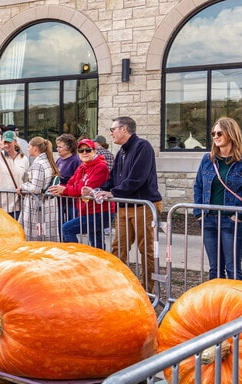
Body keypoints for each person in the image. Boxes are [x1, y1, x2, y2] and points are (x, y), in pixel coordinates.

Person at [94, 116, 163, 292]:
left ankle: (148, 289)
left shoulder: (142, 147)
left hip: (143, 206)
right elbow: (113, 178)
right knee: (119, 248)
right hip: (124, 207)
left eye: (113, 129)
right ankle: (117, 286)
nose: (111, 133)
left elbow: (137, 178)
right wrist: (98, 190)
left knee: (145, 249)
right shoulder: (121, 152)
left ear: (124, 129)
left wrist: (114, 193)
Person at [192, 117, 242, 280]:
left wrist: (240, 215)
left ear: (231, 134)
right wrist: (199, 213)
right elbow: (198, 186)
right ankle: (217, 305)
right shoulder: (208, 159)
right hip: (209, 220)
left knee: (232, 268)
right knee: (215, 269)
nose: (215, 136)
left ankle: (236, 305)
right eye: (213, 133)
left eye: (219, 133)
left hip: (231, 221)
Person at [50, 138, 113, 250]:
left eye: (88, 150)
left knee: (67, 228)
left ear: (94, 151)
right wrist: (64, 189)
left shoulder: (100, 167)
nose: (84, 153)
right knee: (96, 242)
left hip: (100, 211)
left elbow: (83, 189)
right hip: (88, 210)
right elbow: (71, 184)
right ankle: (97, 262)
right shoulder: (82, 167)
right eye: (81, 150)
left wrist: (64, 190)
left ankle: (76, 257)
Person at [18, 136, 60, 241]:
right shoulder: (47, 161)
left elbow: (35, 188)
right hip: (45, 205)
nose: (27, 149)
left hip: (36, 206)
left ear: (35, 148)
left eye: (29, 147)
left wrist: (23, 186)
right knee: (44, 233)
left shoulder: (38, 164)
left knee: (35, 235)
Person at [0, 130, 29, 219]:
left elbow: (26, 179)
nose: (7, 145)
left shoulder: (23, 159)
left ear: (15, 142)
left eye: (9, 142)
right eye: (5, 142)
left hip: (16, 205)